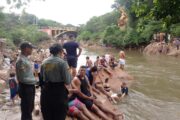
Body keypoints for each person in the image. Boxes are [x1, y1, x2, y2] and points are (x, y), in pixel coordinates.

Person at [39, 43, 72, 120]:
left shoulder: (44, 62)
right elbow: (67, 81)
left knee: (48, 115)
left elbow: (42, 78)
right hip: (59, 93)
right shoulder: (63, 63)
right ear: (61, 51)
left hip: (46, 93)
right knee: (59, 115)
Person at [16, 41, 37, 120]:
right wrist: (35, 81)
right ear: (26, 49)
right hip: (26, 87)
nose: (32, 50)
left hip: (29, 87)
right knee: (26, 109)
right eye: (31, 49)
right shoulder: (21, 61)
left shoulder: (25, 59)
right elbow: (23, 78)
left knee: (29, 108)